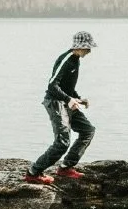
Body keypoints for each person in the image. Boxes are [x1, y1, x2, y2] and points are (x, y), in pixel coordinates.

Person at [25, 30, 97, 184]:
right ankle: (33, 172)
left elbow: (67, 87)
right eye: (88, 48)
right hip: (55, 102)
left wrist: (78, 98)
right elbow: (52, 85)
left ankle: (65, 168)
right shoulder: (66, 59)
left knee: (88, 131)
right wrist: (68, 99)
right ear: (80, 46)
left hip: (67, 102)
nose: (89, 51)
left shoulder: (76, 59)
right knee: (62, 142)